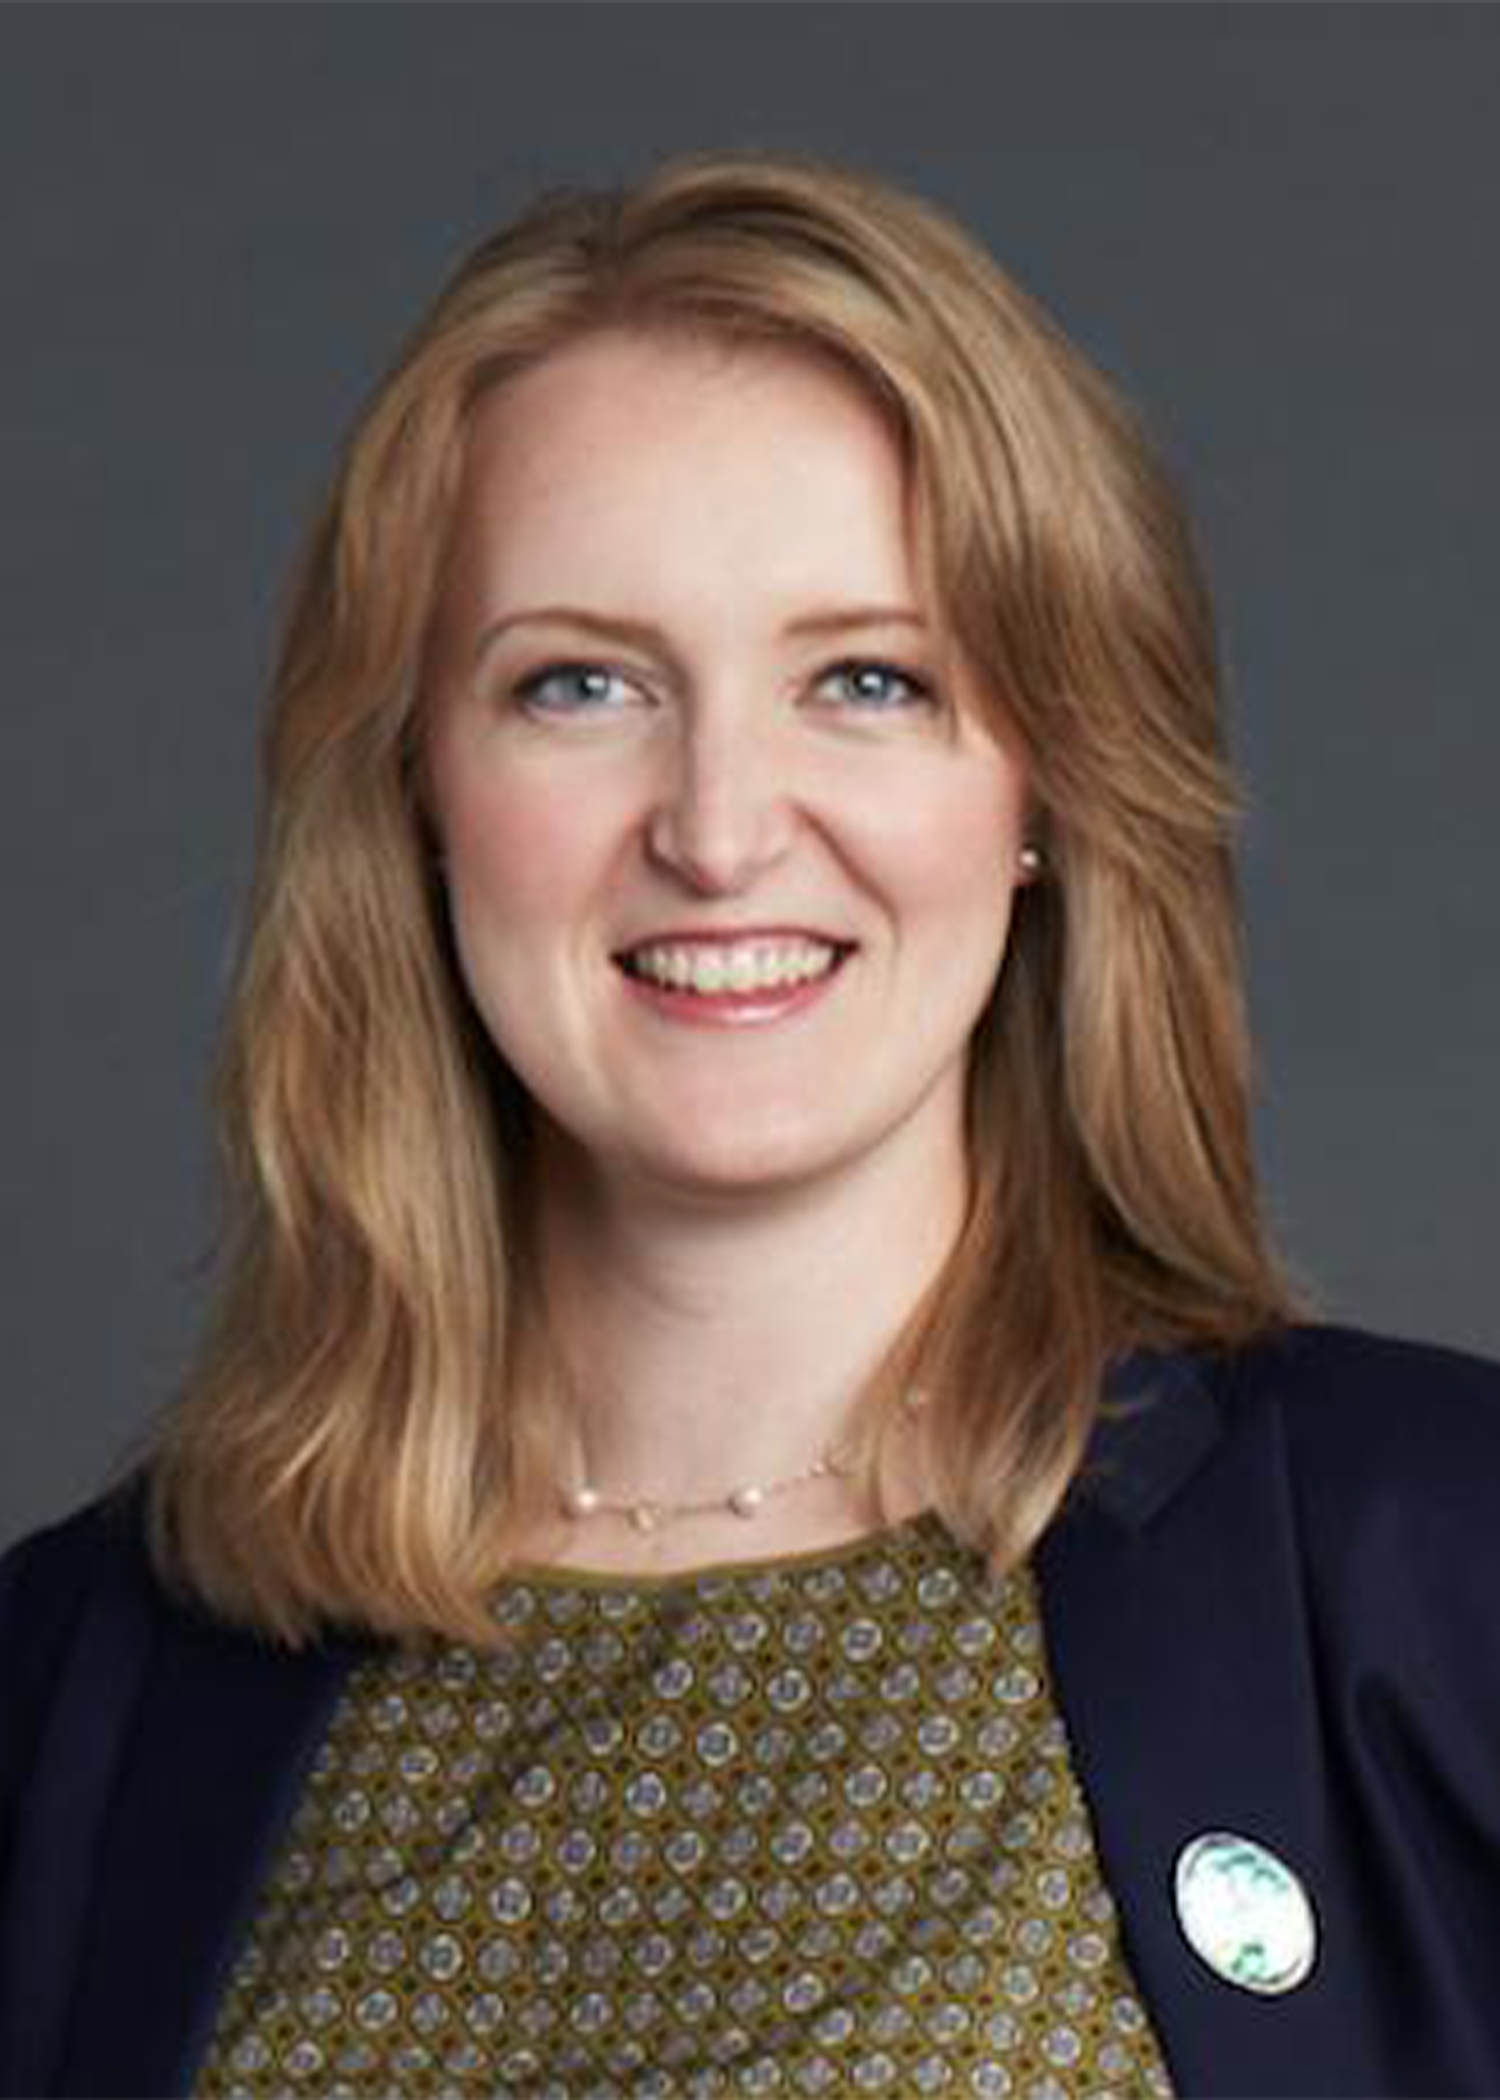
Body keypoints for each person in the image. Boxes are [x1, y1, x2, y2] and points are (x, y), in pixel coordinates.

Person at [2, 147, 1498, 2100]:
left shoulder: (1445, 1560)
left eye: (865, 679)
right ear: (416, 790)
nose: (717, 830)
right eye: (580, 685)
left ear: (1046, 785)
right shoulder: (71, 1688)